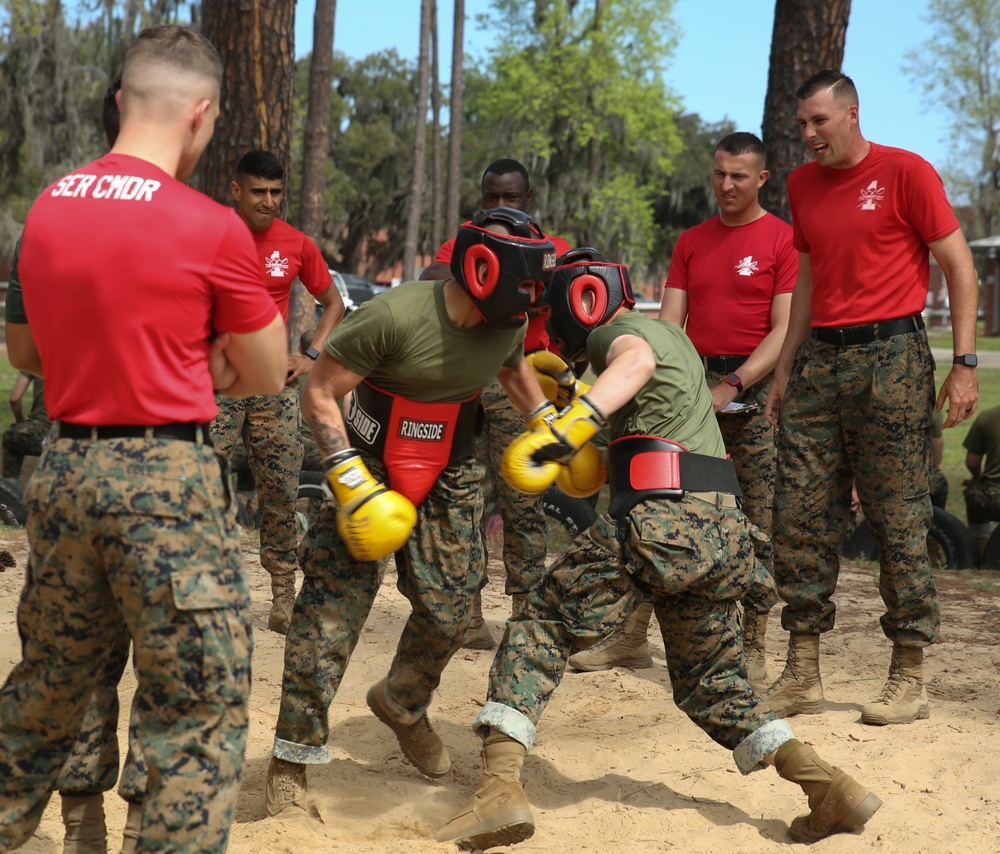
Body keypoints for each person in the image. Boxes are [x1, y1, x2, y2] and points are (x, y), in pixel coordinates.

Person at [435, 250, 881, 851]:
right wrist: (570, 400)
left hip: (666, 520)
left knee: (539, 623)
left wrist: (572, 420)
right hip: (723, 531)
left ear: (582, 299)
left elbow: (632, 364)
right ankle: (827, 786)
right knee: (713, 685)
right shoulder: (673, 339)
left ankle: (498, 791)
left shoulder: (623, 335)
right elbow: (609, 448)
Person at [0, 25, 287, 854]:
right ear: (201, 116)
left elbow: (27, 354)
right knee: (197, 706)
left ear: (123, 102)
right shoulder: (211, 226)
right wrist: (202, 360)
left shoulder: (48, 208)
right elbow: (267, 371)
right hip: (165, 478)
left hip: (62, 470)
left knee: (47, 688)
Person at [264, 208, 561, 822]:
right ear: (484, 269)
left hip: (450, 470)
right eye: (525, 285)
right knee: (329, 613)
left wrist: (548, 425)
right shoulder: (394, 314)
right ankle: (290, 762)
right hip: (367, 460)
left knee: (453, 611)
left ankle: (401, 702)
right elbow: (318, 391)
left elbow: (512, 368)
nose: (532, 298)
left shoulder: (506, 325)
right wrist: (347, 479)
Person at [762, 70, 979, 727]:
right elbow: (806, 280)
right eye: (801, 124)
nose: (807, 135)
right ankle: (802, 673)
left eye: (818, 122)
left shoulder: (907, 173)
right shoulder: (802, 185)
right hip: (819, 364)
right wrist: (784, 366)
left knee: (897, 516)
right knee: (799, 513)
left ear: (852, 115)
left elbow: (960, 268)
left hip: (892, 359)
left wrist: (964, 363)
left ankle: (907, 674)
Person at [570, 132, 795, 678]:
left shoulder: (783, 241)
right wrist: (681, 385)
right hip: (690, 387)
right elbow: (668, 326)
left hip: (753, 391)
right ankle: (630, 636)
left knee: (754, 516)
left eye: (738, 176)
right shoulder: (692, 239)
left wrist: (735, 384)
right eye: (719, 173)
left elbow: (785, 328)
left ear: (761, 178)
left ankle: (753, 642)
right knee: (656, 505)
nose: (726, 185)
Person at [421, 159, 572, 649]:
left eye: (511, 197)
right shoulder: (464, 240)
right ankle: (468, 613)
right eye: (491, 198)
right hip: (465, 381)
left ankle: (527, 613)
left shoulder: (554, 248)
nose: (501, 206)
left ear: (528, 199)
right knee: (463, 501)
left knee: (523, 505)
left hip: (521, 381)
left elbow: (567, 291)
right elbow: (431, 277)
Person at [212, 149, 344, 635]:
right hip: (217, 390)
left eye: (275, 192)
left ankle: (284, 598)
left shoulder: (296, 244)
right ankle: (201, 589)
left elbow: (333, 303)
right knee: (199, 484)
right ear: (236, 191)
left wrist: (310, 357)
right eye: (258, 192)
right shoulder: (211, 234)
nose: (268, 202)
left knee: (281, 492)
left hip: (271, 387)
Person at [963, 403, 1000, 551]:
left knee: (974, 491)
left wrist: (979, 479)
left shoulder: (987, 416)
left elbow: (972, 463)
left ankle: (981, 551)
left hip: (993, 499)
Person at [2, 371, 48, 481]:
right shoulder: (82, 360)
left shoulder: (35, 358)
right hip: (69, 437)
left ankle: (10, 489)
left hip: (40, 433)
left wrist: (20, 421)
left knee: (10, 437)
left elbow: (14, 398)